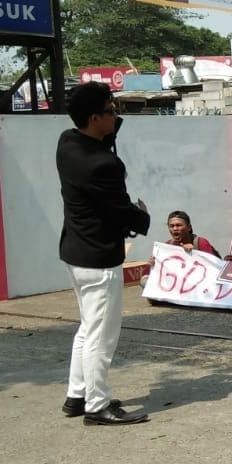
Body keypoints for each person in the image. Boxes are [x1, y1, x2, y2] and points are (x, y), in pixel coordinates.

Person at [55, 81, 151, 425]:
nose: (116, 116)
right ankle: (98, 405)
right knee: (101, 335)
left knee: (87, 328)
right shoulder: (102, 166)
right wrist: (143, 216)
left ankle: (77, 395)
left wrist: (108, 126)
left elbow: (105, 143)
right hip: (99, 258)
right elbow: (121, 212)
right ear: (95, 118)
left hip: (76, 251)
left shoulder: (68, 143)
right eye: (111, 111)